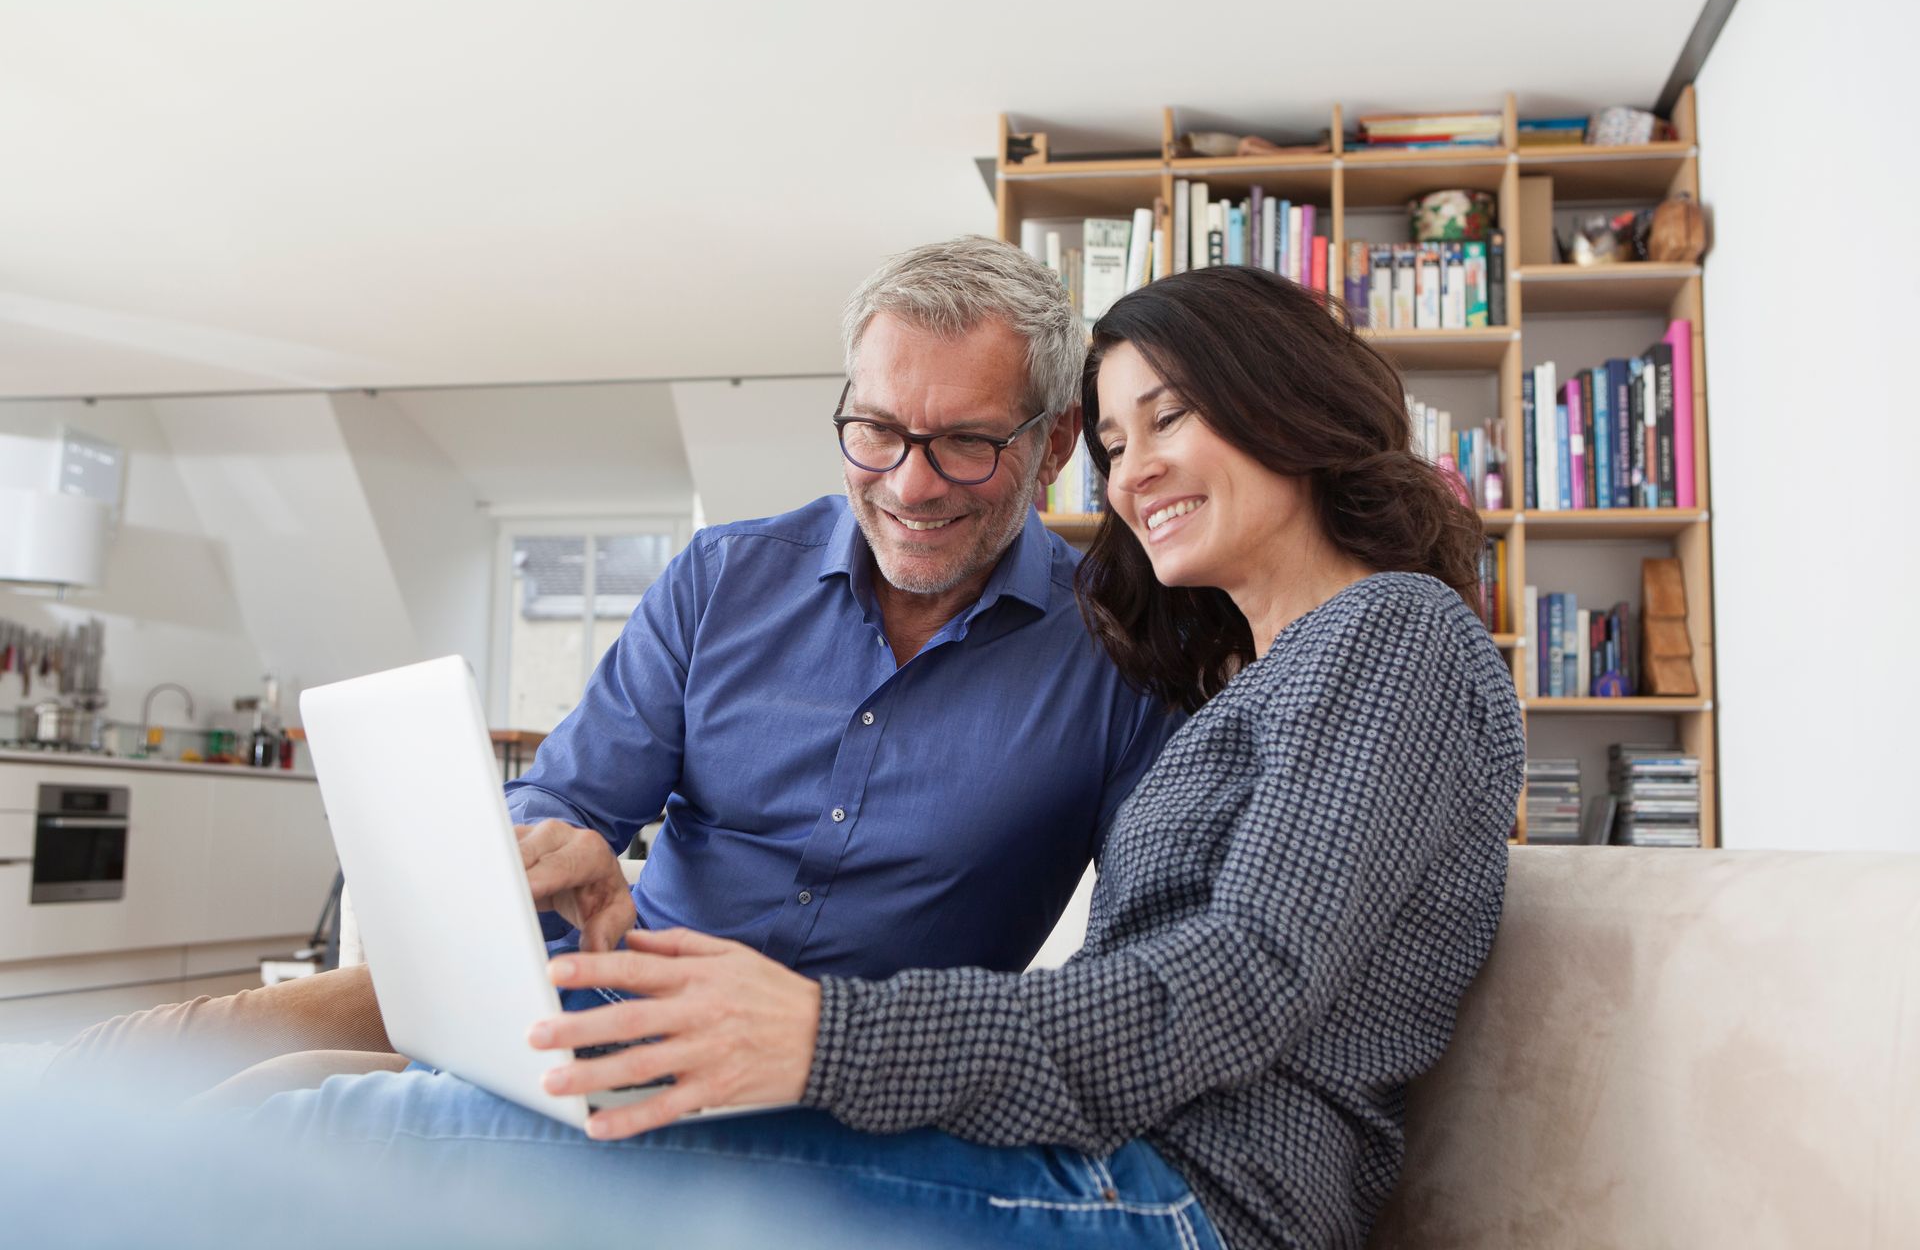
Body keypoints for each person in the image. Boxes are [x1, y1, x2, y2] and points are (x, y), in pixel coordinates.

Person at [255, 265, 1527, 1250]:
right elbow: (1180, 984)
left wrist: (828, 1037)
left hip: (1179, 1201)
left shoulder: (1389, 634)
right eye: (1122, 444)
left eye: (1172, 419)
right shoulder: (1264, 667)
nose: (1136, 474)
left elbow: (1233, 983)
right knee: (304, 1086)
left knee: (335, 1132)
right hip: (1086, 1151)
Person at [40, 236, 1180, 1102]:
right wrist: (551, 834)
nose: (910, 483)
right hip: (576, 993)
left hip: (818, 1083)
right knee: (179, 1065)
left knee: (305, 1127)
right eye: (875, 430)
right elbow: (565, 798)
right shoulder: (725, 578)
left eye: (967, 443)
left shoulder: (1123, 654)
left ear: (1055, 442)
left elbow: (1140, 973)